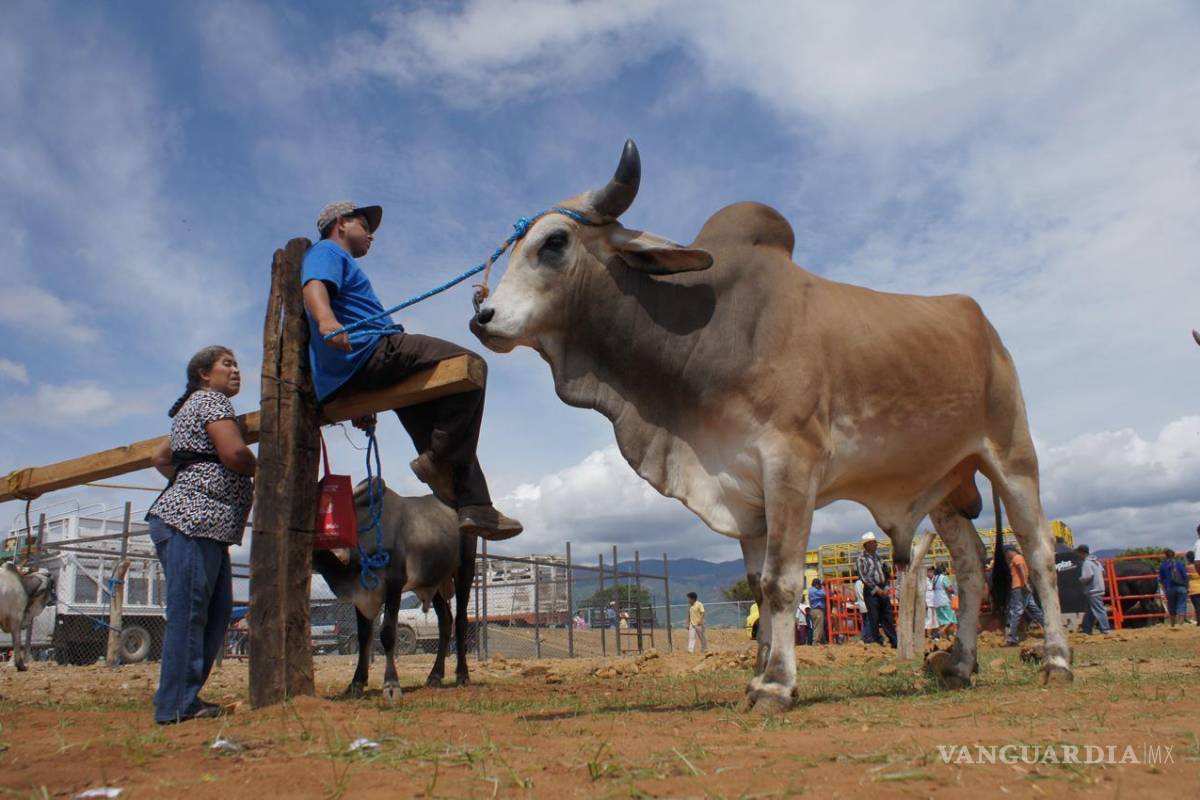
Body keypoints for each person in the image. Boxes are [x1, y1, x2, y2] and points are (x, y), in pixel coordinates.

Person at [301, 201, 521, 540]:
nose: (371, 235)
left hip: (358, 369)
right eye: (365, 226)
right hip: (371, 350)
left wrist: (363, 399)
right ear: (341, 223)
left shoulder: (337, 257)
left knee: (437, 423)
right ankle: (439, 461)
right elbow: (314, 286)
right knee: (469, 366)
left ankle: (475, 504)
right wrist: (327, 319)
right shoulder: (327, 251)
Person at [147, 346, 255, 724]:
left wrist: (191, 478)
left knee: (216, 612)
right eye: (227, 364)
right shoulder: (211, 401)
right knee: (191, 613)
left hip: (206, 526)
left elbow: (161, 457)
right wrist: (262, 467)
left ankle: (183, 697)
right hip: (191, 522)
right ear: (204, 374)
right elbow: (235, 453)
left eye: (237, 364)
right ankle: (176, 705)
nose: (236, 370)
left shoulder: (190, 409)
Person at [855, 532, 897, 648]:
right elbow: (863, 577)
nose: (876, 544)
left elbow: (886, 572)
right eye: (873, 543)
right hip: (871, 592)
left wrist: (886, 587)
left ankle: (894, 640)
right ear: (867, 545)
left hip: (882, 589)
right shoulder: (861, 559)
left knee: (888, 616)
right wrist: (877, 589)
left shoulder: (879, 557)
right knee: (874, 617)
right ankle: (877, 640)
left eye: (875, 542)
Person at [1003, 545, 1045, 645]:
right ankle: (1050, 628)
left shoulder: (1017, 558)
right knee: (1035, 610)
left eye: (1005, 554)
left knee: (1015, 612)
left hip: (1019, 588)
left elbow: (1021, 568)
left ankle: (1012, 638)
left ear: (1009, 552)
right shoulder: (1020, 557)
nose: (1006, 556)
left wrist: (1025, 582)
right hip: (1023, 588)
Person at [1076, 544, 1110, 635]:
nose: (1078, 555)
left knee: (1099, 610)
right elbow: (1103, 572)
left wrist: (1081, 580)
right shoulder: (1096, 562)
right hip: (1099, 588)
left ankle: (1106, 629)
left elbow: (1087, 576)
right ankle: (1086, 629)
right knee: (1090, 610)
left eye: (1078, 553)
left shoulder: (1086, 563)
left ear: (1081, 553)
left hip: (1093, 590)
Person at [1158, 549, 1190, 627]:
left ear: (1165, 556)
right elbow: (1185, 576)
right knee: (1182, 606)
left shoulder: (1163, 566)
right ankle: (1180, 625)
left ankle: (1172, 625)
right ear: (1174, 555)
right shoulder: (1180, 564)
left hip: (1169, 588)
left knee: (1171, 607)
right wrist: (1187, 587)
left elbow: (1161, 579)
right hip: (1181, 587)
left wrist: (1165, 589)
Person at [931, 564, 957, 638]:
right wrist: (954, 590)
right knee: (952, 618)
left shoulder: (934, 578)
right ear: (943, 571)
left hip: (936, 601)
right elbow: (949, 589)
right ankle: (939, 633)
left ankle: (945, 637)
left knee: (942, 620)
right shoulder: (944, 578)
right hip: (944, 600)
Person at [808, 579, 826, 645]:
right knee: (818, 626)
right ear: (816, 584)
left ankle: (819, 641)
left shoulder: (813, 590)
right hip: (817, 610)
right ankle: (815, 642)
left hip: (817, 610)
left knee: (819, 626)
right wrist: (823, 587)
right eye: (819, 585)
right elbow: (824, 593)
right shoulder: (813, 590)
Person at [852, 573, 868, 642]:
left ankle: (863, 637)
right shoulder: (863, 583)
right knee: (868, 622)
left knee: (864, 623)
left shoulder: (856, 584)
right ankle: (865, 637)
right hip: (867, 604)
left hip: (861, 604)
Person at [924, 567, 938, 638]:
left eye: (932, 571)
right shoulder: (924, 581)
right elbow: (922, 592)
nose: (931, 573)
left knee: (935, 619)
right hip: (928, 602)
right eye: (930, 571)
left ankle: (934, 634)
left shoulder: (934, 579)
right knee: (929, 619)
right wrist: (924, 602)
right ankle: (928, 635)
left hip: (934, 602)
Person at [1187, 551, 1200, 625]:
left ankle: (1199, 621)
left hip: (1192, 589)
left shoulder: (1187, 567)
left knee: (1197, 606)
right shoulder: (1198, 566)